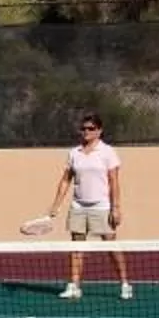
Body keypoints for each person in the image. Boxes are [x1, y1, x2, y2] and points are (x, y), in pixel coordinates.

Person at [45, 112, 132, 301]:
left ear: (99, 131)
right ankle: (74, 286)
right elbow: (66, 180)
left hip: (101, 207)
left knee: (111, 246)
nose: (86, 132)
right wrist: (56, 204)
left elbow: (114, 182)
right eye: (83, 128)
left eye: (91, 128)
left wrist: (116, 208)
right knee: (76, 246)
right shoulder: (74, 153)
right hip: (78, 206)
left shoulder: (108, 152)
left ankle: (125, 284)